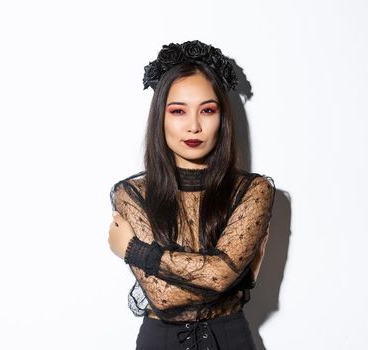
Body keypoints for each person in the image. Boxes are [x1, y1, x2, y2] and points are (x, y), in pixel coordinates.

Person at [107, 40, 275, 350]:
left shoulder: (253, 190)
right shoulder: (133, 194)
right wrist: (225, 276)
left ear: (222, 118)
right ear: (161, 118)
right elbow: (165, 297)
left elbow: (220, 275)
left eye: (207, 110)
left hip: (230, 340)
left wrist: (135, 250)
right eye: (178, 111)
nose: (193, 126)